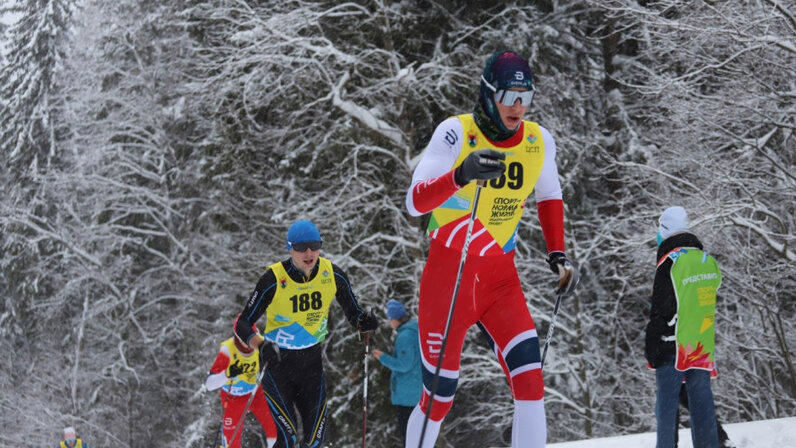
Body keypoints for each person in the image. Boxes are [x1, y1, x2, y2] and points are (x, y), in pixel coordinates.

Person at [404, 50, 578, 448]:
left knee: (531, 381)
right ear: (488, 94)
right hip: (448, 283)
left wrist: (558, 253)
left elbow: (549, 193)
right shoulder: (455, 132)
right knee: (439, 397)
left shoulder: (537, 140)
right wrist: (460, 175)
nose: (518, 107)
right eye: (509, 96)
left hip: (500, 281)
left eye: (526, 96)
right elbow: (414, 202)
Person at [234, 220, 380, 448]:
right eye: (302, 247)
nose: (309, 253)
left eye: (314, 245)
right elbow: (243, 323)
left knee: (315, 441)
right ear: (290, 248)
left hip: (311, 365)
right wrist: (259, 344)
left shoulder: (332, 274)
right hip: (277, 365)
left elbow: (354, 313)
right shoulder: (273, 279)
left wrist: (364, 322)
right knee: (288, 437)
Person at [645, 206, 722, 448]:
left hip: (672, 347)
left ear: (665, 229)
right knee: (702, 406)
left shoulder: (670, 262)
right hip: (700, 346)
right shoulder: (706, 261)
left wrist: (652, 348)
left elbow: (661, 310)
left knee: (666, 410)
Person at [205, 318, 277, 448]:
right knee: (231, 441)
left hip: (255, 394)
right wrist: (226, 374)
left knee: (275, 426)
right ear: (238, 338)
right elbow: (209, 385)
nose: (251, 343)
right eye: (246, 339)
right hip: (233, 398)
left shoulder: (260, 343)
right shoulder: (228, 350)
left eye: (252, 337)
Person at [371, 299, 422, 447]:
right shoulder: (415, 331)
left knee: (408, 438)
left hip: (408, 396)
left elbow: (405, 365)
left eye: (390, 318)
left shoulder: (405, 337)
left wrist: (383, 357)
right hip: (416, 393)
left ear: (394, 319)